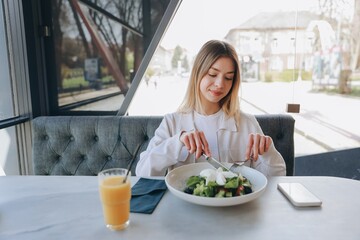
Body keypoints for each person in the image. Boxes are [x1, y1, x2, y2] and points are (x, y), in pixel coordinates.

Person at [136, 40, 286, 177]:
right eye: (213, 74)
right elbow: (142, 172)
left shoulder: (247, 123)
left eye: (228, 78)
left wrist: (268, 151)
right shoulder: (172, 122)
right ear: (198, 73)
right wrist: (177, 142)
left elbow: (278, 177)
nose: (220, 84)